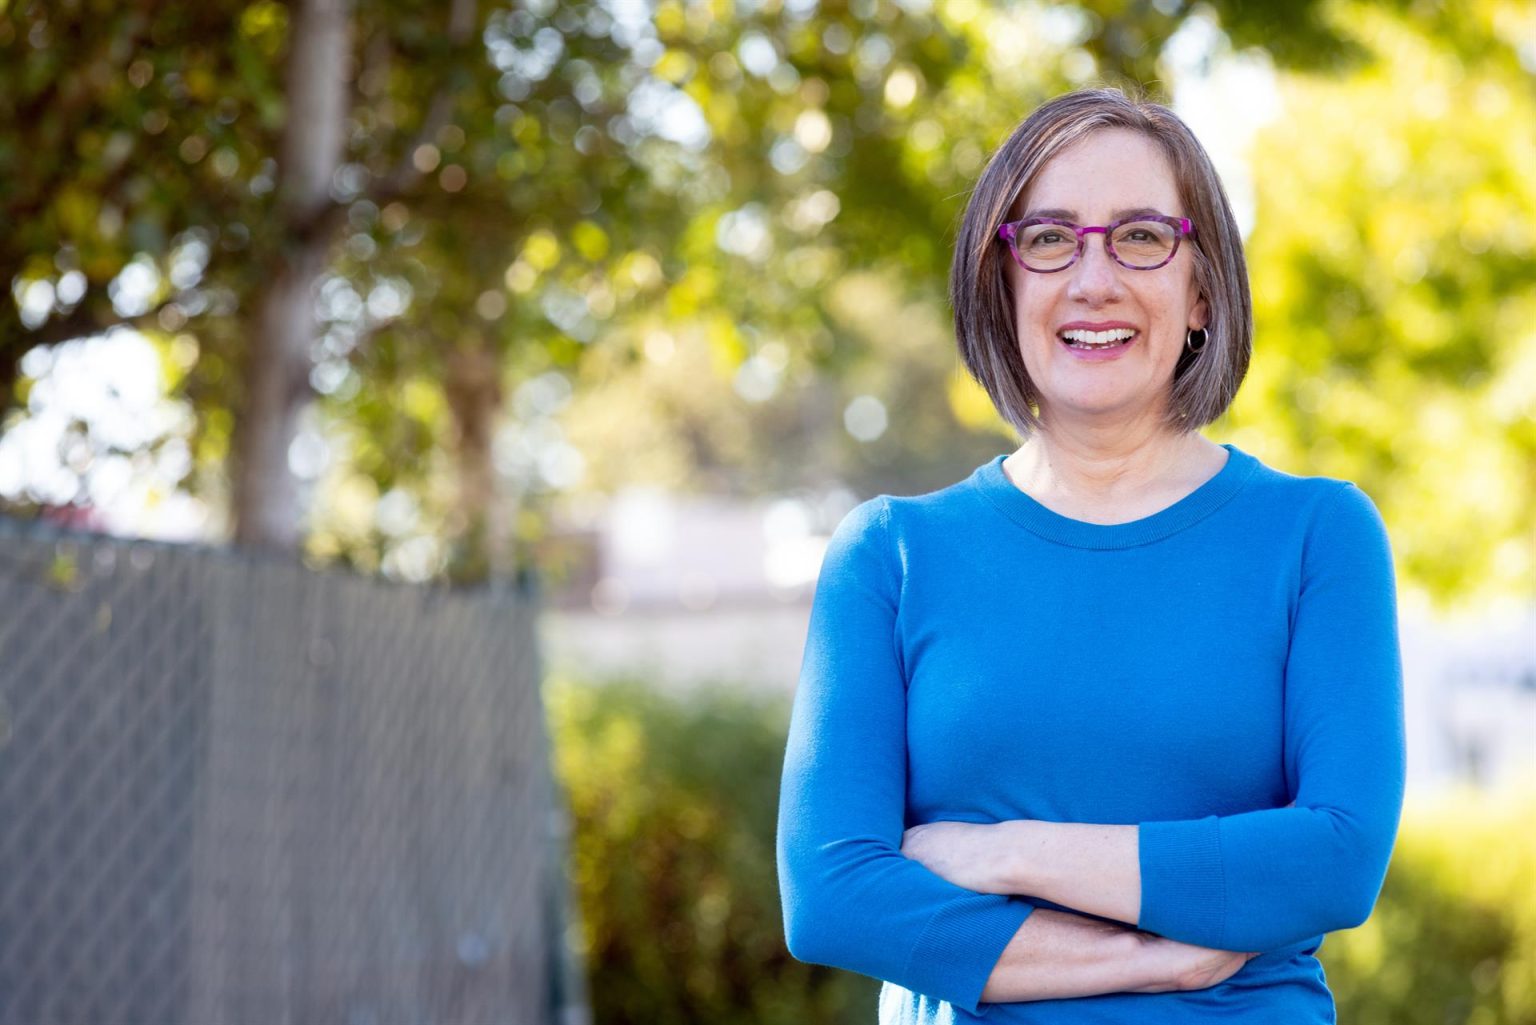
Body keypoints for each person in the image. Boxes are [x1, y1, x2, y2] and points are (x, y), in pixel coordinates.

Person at [775, 87, 1406, 1024]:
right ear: (1006, 283)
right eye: (1049, 239)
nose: (1092, 279)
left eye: (1143, 236)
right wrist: (1156, 960)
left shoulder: (1318, 534)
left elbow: (1338, 855)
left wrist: (1008, 853)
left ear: (1202, 291)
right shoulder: (890, 554)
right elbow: (832, 895)